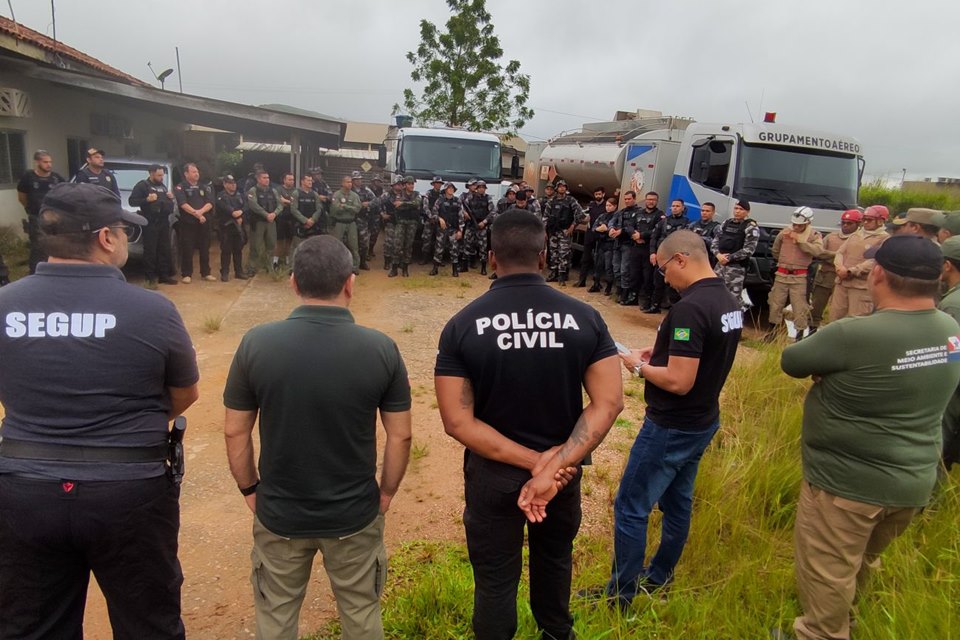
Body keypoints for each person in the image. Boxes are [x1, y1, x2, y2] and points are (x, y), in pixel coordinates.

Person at [0, 182, 199, 638]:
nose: (127, 239)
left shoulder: (4, 304)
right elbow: (185, 394)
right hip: (129, 493)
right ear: (106, 238)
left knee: (31, 626)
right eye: (123, 231)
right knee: (148, 624)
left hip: (24, 491)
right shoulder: (152, 309)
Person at [435, 210, 623, 640]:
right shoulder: (585, 318)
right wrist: (552, 464)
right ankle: (557, 634)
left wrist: (531, 462)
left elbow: (456, 420)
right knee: (554, 561)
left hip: (494, 476)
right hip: (562, 475)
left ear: (490, 257)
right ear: (543, 258)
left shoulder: (463, 325)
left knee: (496, 580)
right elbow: (609, 402)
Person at [224, 235, 412, 640]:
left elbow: (235, 429)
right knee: (361, 613)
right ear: (350, 283)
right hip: (354, 513)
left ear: (293, 283)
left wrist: (249, 489)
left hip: (280, 513)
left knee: (275, 619)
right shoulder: (381, 349)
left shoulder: (255, 343)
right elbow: (400, 437)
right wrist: (386, 492)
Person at [777, 234, 960, 640]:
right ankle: (847, 621)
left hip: (848, 483)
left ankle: (821, 633)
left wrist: (837, 368)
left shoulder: (854, 334)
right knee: (862, 560)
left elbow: (792, 360)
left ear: (878, 274)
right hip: (912, 482)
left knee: (828, 568)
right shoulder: (949, 328)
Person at [592, 230, 742, 610]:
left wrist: (639, 366)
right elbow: (701, 352)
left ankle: (620, 596)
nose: (663, 279)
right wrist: (658, 350)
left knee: (630, 507)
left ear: (680, 260)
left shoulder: (689, 308)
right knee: (677, 504)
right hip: (703, 420)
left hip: (671, 426)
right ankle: (659, 576)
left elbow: (678, 380)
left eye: (663, 270)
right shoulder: (727, 300)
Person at [763, 207, 824, 341]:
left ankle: (799, 335)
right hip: (782, 274)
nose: (796, 227)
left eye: (799, 225)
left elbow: (818, 251)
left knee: (800, 306)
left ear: (807, 223)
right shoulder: (784, 233)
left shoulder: (814, 235)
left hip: (800, 276)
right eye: (794, 224)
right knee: (775, 303)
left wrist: (802, 243)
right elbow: (775, 250)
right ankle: (772, 332)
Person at [831, 204, 889, 320]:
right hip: (842, 283)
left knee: (856, 320)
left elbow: (875, 260)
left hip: (861, 287)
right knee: (835, 318)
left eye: (869, 220)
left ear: (881, 221)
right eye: (864, 220)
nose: (866, 223)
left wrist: (851, 271)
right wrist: (839, 267)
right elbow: (840, 252)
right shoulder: (855, 235)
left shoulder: (885, 238)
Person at [809, 209, 860, 333]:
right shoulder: (831, 237)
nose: (845, 225)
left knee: (840, 310)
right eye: (843, 222)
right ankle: (811, 333)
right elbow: (819, 253)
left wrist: (833, 258)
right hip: (825, 276)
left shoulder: (859, 240)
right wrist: (838, 257)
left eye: (849, 223)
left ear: (858, 224)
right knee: (816, 307)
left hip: (847, 279)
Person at [16, 149, 65, 273]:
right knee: (37, 247)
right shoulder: (28, 177)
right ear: (37, 162)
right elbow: (22, 196)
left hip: (54, 218)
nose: (49, 164)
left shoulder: (56, 178)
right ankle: (35, 272)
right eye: (45, 162)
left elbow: (65, 192)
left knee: (55, 244)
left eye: (50, 162)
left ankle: (54, 270)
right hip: (36, 217)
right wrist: (30, 208)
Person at [129, 163, 178, 286]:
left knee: (164, 249)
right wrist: (146, 200)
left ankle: (164, 275)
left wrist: (171, 198)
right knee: (150, 251)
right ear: (151, 173)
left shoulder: (162, 186)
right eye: (159, 175)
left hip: (163, 222)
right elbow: (132, 201)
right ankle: (150, 278)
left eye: (162, 175)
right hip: (150, 222)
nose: (161, 177)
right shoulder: (142, 186)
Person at [643, 198, 691, 314]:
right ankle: (655, 306)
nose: (675, 208)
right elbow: (654, 238)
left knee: (674, 285)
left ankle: (675, 309)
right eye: (673, 206)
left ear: (683, 208)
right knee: (657, 283)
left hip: (676, 259)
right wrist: (652, 253)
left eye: (677, 206)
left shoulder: (687, 223)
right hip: (662, 257)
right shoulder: (663, 222)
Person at [937, 235, 960, 473]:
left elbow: (953, 355)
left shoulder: (953, 305)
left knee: (938, 447)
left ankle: (930, 505)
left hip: (953, 389)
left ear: (947, 265)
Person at [712, 200, 760, 310]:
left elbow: (749, 250)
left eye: (741, 209)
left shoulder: (751, 227)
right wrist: (718, 255)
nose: (737, 211)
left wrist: (729, 258)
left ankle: (736, 321)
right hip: (720, 266)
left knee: (733, 299)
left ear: (747, 212)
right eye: (736, 208)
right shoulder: (726, 223)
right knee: (715, 294)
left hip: (736, 269)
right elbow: (715, 242)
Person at [173, 162, 216, 283]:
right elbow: (183, 204)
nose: (196, 174)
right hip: (188, 223)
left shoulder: (204, 187)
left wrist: (200, 212)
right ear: (186, 174)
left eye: (197, 171)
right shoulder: (180, 187)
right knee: (188, 248)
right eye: (193, 172)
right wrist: (197, 214)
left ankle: (206, 272)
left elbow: (210, 202)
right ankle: (187, 274)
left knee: (204, 247)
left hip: (203, 222)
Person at [543, 180, 586, 286]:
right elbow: (545, 217)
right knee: (553, 253)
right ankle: (554, 273)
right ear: (556, 188)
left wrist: (572, 226)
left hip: (564, 231)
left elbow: (581, 214)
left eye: (564, 187)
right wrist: (544, 231)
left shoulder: (571, 200)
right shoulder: (551, 201)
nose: (562, 188)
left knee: (564, 254)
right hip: (553, 231)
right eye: (560, 187)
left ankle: (562, 275)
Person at [246, 170, 283, 276]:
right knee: (256, 246)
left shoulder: (273, 191)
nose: (267, 180)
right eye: (264, 178)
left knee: (271, 245)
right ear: (258, 179)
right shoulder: (253, 191)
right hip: (258, 222)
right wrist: (266, 214)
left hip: (271, 222)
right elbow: (253, 205)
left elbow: (280, 205)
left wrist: (274, 214)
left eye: (268, 177)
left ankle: (269, 266)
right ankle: (252, 268)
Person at [215, 175, 249, 282]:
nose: (233, 185)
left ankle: (239, 271)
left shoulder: (240, 195)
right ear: (225, 184)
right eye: (230, 183)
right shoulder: (221, 196)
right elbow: (225, 208)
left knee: (238, 250)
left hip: (238, 227)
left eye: (234, 183)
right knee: (226, 251)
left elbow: (246, 206)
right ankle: (225, 272)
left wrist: (241, 214)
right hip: (226, 227)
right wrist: (235, 214)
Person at [461, 180, 496, 275]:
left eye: (483, 187)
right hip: (471, 225)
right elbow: (462, 207)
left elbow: (492, 212)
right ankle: (464, 266)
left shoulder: (488, 198)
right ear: (476, 189)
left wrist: (484, 222)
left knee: (482, 247)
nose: (481, 189)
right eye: (479, 187)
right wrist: (464, 213)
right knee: (466, 245)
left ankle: (483, 268)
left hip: (482, 226)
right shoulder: (470, 197)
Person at [429, 182, 464, 277]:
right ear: (445, 190)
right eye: (449, 188)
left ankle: (455, 270)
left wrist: (460, 230)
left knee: (454, 249)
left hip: (453, 229)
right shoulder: (439, 200)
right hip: (442, 229)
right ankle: (435, 268)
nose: (451, 190)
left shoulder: (458, 201)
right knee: (439, 249)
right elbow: (433, 214)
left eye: (452, 188)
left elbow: (461, 217)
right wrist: (439, 219)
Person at [329, 176, 363, 274]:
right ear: (342, 183)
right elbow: (335, 209)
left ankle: (355, 267)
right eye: (347, 182)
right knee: (337, 246)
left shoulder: (354, 195)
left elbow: (357, 209)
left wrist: (345, 206)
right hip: (339, 222)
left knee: (354, 246)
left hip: (351, 222)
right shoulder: (337, 194)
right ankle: (335, 267)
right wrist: (349, 208)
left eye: (351, 182)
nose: (350, 184)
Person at [389, 176, 421, 278]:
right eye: (409, 184)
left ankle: (405, 269)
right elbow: (397, 205)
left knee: (408, 246)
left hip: (412, 223)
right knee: (397, 245)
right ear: (405, 185)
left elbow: (417, 203)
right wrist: (408, 205)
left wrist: (403, 203)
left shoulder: (417, 194)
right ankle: (394, 268)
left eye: (412, 184)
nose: (411, 185)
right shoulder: (399, 195)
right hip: (401, 222)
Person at [575, 187, 606, 288]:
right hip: (589, 235)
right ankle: (582, 280)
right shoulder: (591, 205)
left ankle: (596, 282)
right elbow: (583, 216)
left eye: (599, 194)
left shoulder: (607, 206)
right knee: (585, 258)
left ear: (603, 194)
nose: (598, 196)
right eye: (596, 194)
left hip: (601, 236)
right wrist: (583, 219)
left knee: (598, 260)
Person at [290, 174, 325, 262]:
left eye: (311, 180)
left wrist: (312, 220)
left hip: (312, 225)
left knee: (312, 247)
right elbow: (294, 210)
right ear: (302, 181)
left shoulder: (315, 194)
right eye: (308, 180)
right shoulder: (296, 193)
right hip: (299, 225)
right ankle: (293, 267)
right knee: (297, 247)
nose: (310, 182)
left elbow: (319, 209)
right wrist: (305, 221)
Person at [589, 196, 619, 294]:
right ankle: (596, 284)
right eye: (607, 205)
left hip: (610, 245)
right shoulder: (602, 216)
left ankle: (609, 287)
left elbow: (615, 230)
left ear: (615, 206)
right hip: (601, 244)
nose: (608, 207)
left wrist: (606, 229)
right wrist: (599, 229)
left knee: (608, 267)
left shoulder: (617, 217)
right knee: (597, 265)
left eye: (610, 205)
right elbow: (593, 228)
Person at [351, 172, 376, 270]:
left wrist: (368, 203)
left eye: (360, 179)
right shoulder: (349, 190)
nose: (359, 181)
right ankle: (352, 263)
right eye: (357, 179)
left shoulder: (366, 190)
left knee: (364, 243)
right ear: (353, 181)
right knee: (350, 242)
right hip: (350, 220)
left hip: (362, 220)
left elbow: (376, 200)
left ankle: (362, 262)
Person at [379, 177, 404, 270]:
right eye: (398, 184)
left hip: (401, 222)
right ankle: (387, 262)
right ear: (393, 185)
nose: (400, 186)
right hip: (390, 221)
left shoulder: (405, 195)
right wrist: (382, 214)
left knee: (400, 243)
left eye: (401, 184)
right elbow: (377, 204)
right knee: (389, 242)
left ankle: (398, 262)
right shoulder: (386, 195)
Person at [274, 172, 298, 270]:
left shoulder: (295, 190)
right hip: (281, 217)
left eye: (292, 179)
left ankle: (288, 261)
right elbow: (279, 201)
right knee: (279, 240)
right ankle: (275, 262)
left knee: (290, 240)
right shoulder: (278, 189)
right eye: (289, 179)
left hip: (292, 218)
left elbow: (295, 202)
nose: (292, 181)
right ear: (284, 180)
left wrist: (286, 201)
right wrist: (290, 201)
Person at [420, 176, 445, 264]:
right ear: (433, 184)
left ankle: (438, 260)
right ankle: (424, 258)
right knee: (426, 239)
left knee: (440, 241)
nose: (438, 185)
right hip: (430, 219)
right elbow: (425, 206)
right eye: (437, 183)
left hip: (440, 220)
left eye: (440, 183)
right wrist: (431, 217)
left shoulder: (443, 194)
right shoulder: (429, 193)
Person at [687, 201, 719, 267]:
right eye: (702, 210)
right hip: (691, 257)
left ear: (713, 213)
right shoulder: (693, 225)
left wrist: (702, 238)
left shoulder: (716, 227)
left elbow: (717, 245)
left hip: (707, 259)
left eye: (707, 211)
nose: (704, 213)